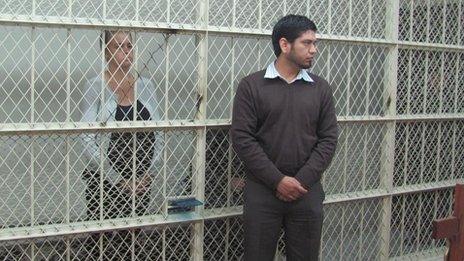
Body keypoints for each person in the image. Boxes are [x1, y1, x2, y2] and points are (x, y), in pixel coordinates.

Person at [231, 15, 338, 261]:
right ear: (284, 44)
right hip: (262, 191)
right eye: (307, 43)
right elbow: (243, 138)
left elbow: (329, 139)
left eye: (315, 43)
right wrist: (277, 180)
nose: (314, 50)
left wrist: (301, 180)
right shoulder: (252, 86)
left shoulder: (320, 89)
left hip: (306, 191)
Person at [80, 30, 161, 220]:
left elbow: (159, 132)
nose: (127, 51)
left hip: (141, 180)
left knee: (133, 236)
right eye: (119, 46)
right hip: (104, 182)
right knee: (102, 239)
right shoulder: (95, 85)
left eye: (129, 46)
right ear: (107, 52)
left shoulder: (145, 85)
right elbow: (87, 137)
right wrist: (117, 179)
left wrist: (149, 173)